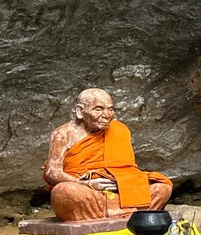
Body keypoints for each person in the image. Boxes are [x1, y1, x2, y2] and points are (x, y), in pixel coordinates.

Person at [43, 88, 172, 221]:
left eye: (110, 109)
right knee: (63, 191)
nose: (107, 115)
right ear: (80, 111)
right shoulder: (63, 134)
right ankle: (131, 215)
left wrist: (122, 183)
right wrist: (88, 183)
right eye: (98, 109)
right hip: (88, 192)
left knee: (162, 188)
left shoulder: (120, 130)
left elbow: (127, 168)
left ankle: (114, 214)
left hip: (121, 191)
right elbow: (52, 172)